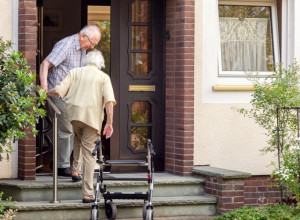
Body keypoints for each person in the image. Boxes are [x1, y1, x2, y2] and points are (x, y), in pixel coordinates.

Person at [47, 50, 116, 203]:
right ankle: (87, 193)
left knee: (78, 139)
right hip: (91, 119)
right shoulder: (104, 77)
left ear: (86, 61)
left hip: (74, 116)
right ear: (100, 64)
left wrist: (45, 92)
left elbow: (58, 91)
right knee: (90, 156)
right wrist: (109, 123)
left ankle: (75, 171)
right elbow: (109, 102)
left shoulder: (75, 72)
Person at [39, 25, 101, 176]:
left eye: (95, 44)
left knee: (73, 129)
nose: (92, 46)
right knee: (66, 129)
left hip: (73, 96)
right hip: (59, 94)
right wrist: (44, 88)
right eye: (92, 42)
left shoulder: (82, 49)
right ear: (83, 37)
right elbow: (45, 64)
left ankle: (59, 161)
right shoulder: (66, 45)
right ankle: (62, 166)